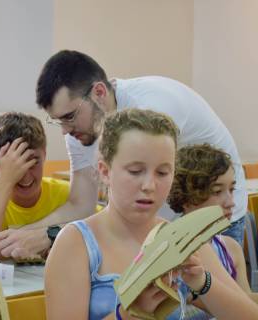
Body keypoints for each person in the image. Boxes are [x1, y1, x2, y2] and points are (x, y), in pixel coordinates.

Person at [0, 50, 247, 259]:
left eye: (69, 117)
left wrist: (51, 234)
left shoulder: (153, 109)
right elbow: (81, 203)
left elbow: (138, 201)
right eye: (58, 121)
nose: (66, 131)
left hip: (212, 215)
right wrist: (17, 235)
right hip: (155, 225)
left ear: (99, 93)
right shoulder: (83, 128)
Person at [45, 109, 258, 320]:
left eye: (163, 173)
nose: (149, 185)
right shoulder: (75, 244)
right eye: (135, 171)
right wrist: (130, 312)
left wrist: (202, 282)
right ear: (105, 171)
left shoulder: (181, 239)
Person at [0, 112, 71, 260]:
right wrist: (6, 179)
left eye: (33, 162)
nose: (26, 177)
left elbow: (106, 227)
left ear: (44, 156)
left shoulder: (67, 193)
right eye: (15, 166)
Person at [168, 143, 258, 305]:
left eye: (231, 190)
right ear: (187, 198)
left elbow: (245, 302)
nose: (231, 203)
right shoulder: (173, 253)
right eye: (217, 191)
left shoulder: (231, 249)